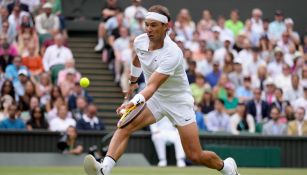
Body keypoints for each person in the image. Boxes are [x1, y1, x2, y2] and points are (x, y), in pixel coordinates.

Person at [83, 5, 239, 175]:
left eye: (154, 25)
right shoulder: (140, 41)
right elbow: (138, 59)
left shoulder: (173, 53)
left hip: (179, 102)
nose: (149, 29)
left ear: (167, 27)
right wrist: (133, 82)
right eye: (147, 24)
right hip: (157, 99)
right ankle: (104, 170)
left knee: (195, 155)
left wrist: (133, 102)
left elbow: (152, 85)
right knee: (124, 125)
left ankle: (228, 168)